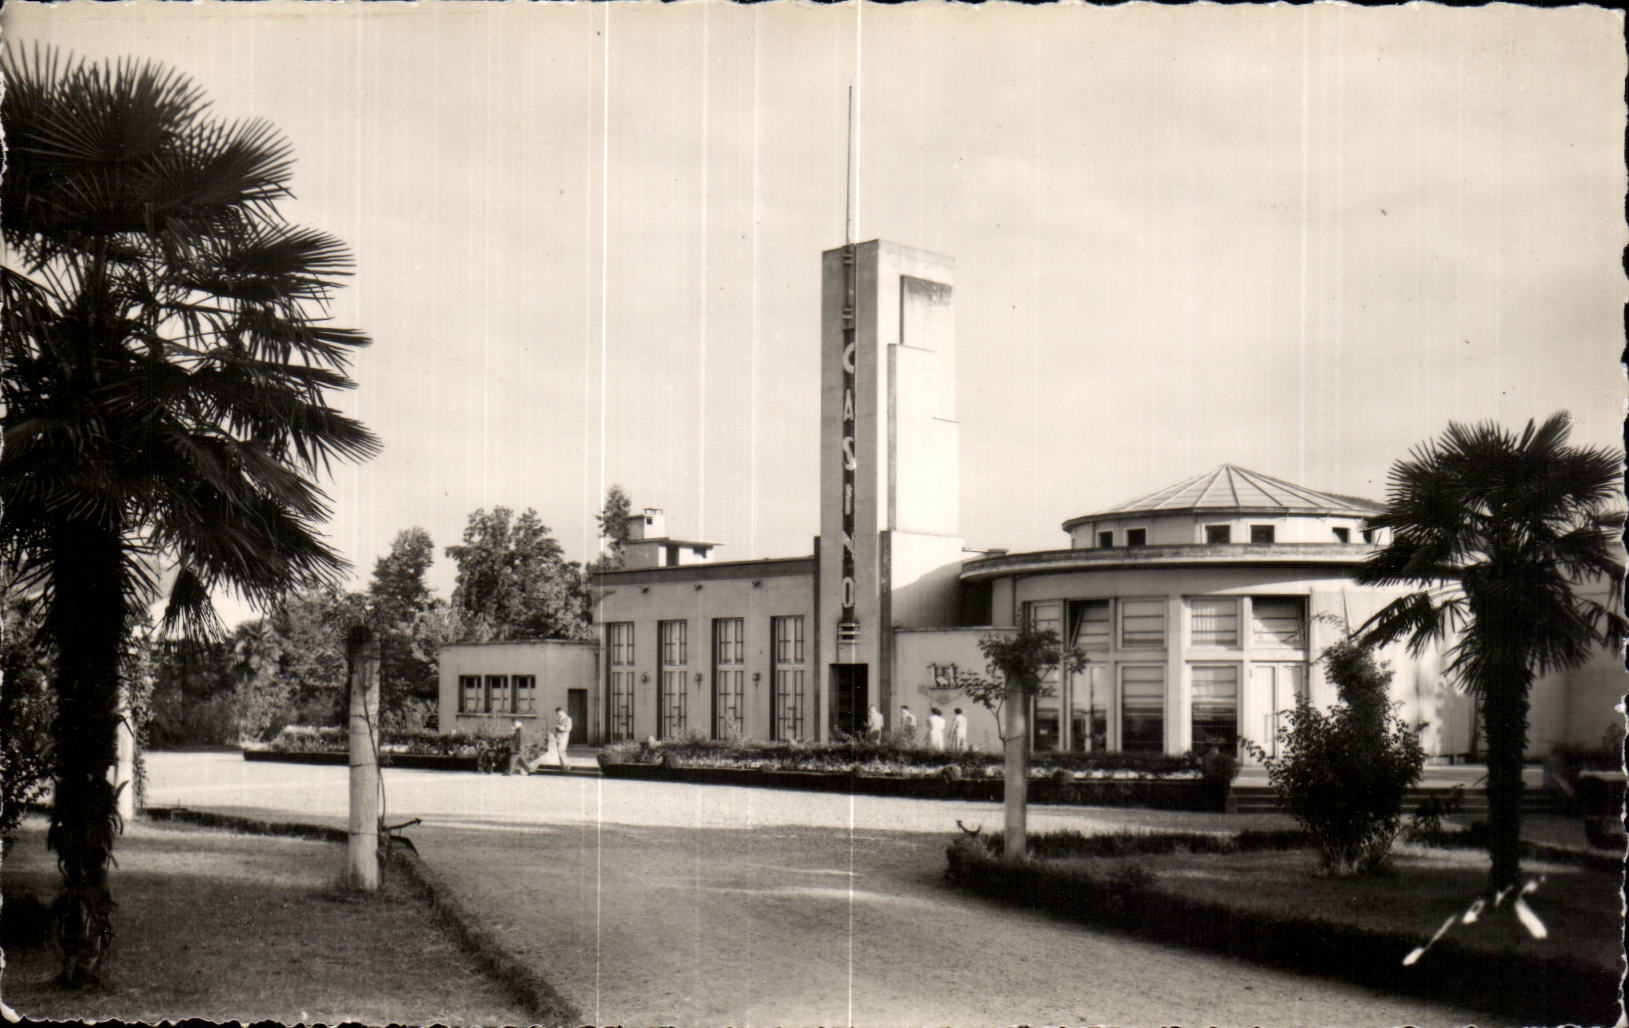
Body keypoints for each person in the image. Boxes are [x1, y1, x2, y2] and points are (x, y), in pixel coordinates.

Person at [528, 706, 574, 773]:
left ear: (562, 712)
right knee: (560, 752)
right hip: (558, 737)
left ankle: (567, 766)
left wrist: (560, 727)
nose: (558, 714)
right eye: (557, 713)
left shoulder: (568, 719)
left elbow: (569, 728)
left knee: (561, 751)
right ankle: (564, 766)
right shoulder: (560, 719)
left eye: (558, 713)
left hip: (564, 737)